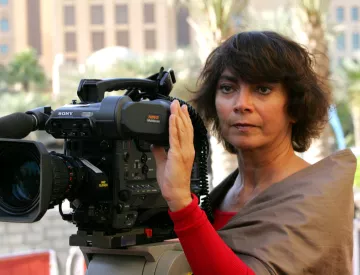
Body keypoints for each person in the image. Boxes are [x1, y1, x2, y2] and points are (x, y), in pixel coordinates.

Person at [151, 31, 357, 275]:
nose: (241, 104)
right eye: (228, 88)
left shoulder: (317, 196)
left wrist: (182, 204)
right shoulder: (221, 196)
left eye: (262, 89)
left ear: (294, 106)